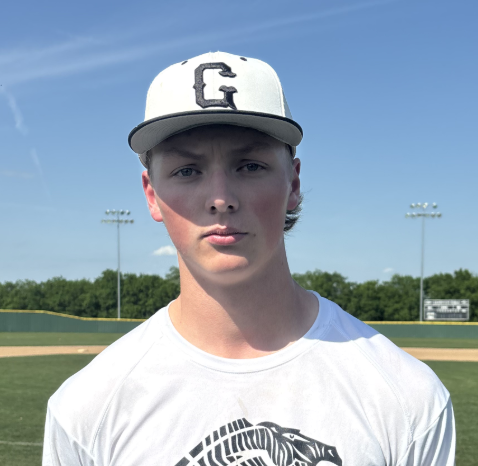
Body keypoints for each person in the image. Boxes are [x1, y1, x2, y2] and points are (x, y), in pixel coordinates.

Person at [42, 52, 455, 466]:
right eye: (187, 171)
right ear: (152, 194)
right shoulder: (86, 410)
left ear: (293, 182)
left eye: (250, 166)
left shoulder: (407, 398)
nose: (221, 198)